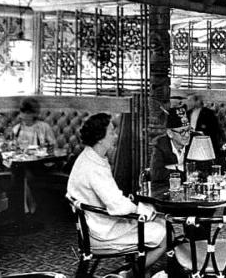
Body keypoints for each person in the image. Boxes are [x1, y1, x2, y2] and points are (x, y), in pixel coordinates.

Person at [67, 113, 166, 272]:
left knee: (158, 221)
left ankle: (141, 271)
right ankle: (130, 275)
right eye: (111, 132)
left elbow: (111, 198)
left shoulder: (89, 156)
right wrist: (143, 211)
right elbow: (118, 205)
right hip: (102, 233)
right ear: (100, 138)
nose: (115, 136)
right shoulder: (93, 167)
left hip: (94, 225)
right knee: (166, 234)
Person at [149, 107, 192, 184]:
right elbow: (156, 174)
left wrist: (172, 168)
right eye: (182, 132)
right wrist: (184, 172)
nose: (187, 135)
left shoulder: (195, 140)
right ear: (170, 133)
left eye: (188, 130)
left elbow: (205, 170)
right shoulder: (160, 145)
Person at [186, 94, 222, 159]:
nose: (188, 103)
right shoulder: (188, 113)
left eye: (190, 100)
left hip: (205, 140)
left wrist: (201, 133)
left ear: (197, 101)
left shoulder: (208, 113)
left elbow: (214, 130)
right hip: (189, 138)